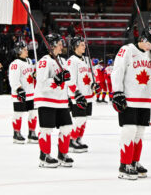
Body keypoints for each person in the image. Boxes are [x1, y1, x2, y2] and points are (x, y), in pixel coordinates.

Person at [112, 26, 151, 180]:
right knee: (129, 130)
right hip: (129, 98)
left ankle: (134, 161)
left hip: (145, 99)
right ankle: (124, 164)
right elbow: (117, 71)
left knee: (140, 132)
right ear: (142, 39)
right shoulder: (127, 50)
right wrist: (117, 92)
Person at [35, 33, 73, 168]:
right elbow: (42, 84)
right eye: (59, 43)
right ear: (51, 46)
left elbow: (66, 81)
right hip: (46, 100)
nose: (62, 45)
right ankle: (44, 155)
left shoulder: (62, 61)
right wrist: (57, 79)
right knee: (46, 128)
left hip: (61, 100)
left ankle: (62, 154)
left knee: (67, 128)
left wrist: (67, 79)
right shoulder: (44, 61)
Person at [66, 36, 99, 153]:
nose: (84, 46)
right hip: (78, 95)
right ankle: (71, 140)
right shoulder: (71, 61)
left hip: (88, 95)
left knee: (84, 119)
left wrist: (94, 85)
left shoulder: (87, 60)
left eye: (84, 44)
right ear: (75, 47)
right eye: (82, 45)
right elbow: (70, 79)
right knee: (79, 119)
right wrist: (76, 93)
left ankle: (79, 139)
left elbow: (90, 77)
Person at [8, 41, 38, 144]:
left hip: (31, 93)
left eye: (26, 49)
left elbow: (33, 74)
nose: (27, 51)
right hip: (20, 93)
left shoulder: (30, 61)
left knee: (33, 113)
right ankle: (16, 134)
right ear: (19, 51)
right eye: (24, 49)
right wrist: (18, 89)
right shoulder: (15, 64)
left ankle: (32, 133)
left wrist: (35, 73)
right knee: (18, 113)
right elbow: (13, 79)